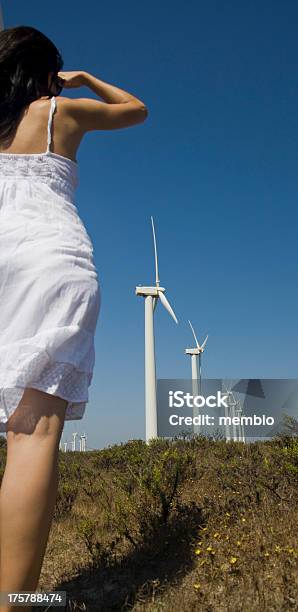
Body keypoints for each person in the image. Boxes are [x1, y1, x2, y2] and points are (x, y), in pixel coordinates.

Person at [0, 25, 148, 609]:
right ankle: (12, 602)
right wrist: (82, 79)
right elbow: (135, 110)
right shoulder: (58, 110)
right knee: (32, 436)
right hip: (48, 259)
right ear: (45, 72)